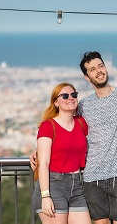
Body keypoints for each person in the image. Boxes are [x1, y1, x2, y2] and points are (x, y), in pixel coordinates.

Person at [31, 50, 117, 224]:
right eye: (92, 69)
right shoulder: (83, 106)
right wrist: (38, 152)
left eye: (101, 66)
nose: (99, 71)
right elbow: (63, 129)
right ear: (87, 77)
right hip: (91, 179)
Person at [32, 82, 91, 224]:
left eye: (74, 95)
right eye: (65, 96)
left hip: (76, 185)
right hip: (53, 185)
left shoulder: (81, 123)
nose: (70, 98)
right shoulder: (48, 126)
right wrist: (45, 196)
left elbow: (98, 145)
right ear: (56, 102)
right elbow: (44, 163)